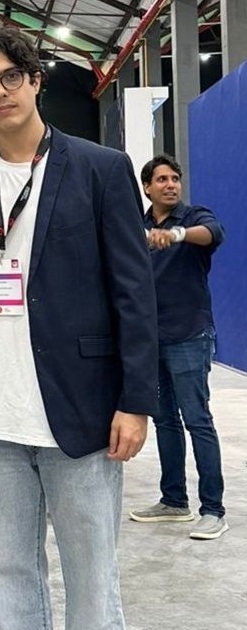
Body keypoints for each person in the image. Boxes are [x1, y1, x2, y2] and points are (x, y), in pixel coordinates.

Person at [0, 24, 158, 630]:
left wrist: (136, 401)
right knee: (3, 571)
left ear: (36, 80)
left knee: (92, 573)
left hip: (81, 411)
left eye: (10, 77)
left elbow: (134, 292)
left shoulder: (100, 168)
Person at [130, 154, 228, 540]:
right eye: (162, 179)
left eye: (175, 178)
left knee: (197, 419)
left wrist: (177, 235)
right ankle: (174, 501)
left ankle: (213, 510)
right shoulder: (137, 225)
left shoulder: (193, 217)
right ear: (147, 187)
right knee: (165, 421)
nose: (171, 185)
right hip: (150, 339)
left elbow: (213, 233)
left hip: (189, 335)